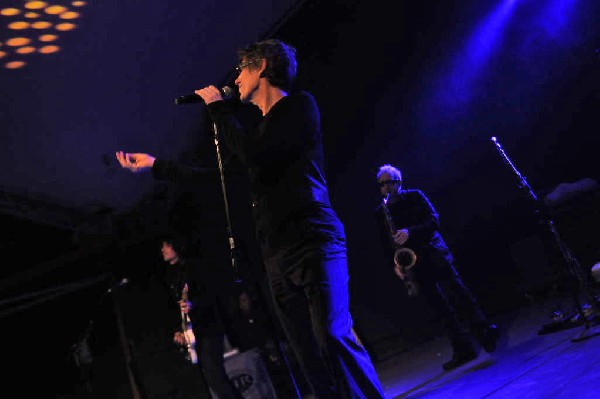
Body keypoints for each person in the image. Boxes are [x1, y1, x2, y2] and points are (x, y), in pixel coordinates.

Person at [116, 38, 385, 398]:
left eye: (242, 69)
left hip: (314, 239)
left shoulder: (299, 108)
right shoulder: (256, 132)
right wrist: (157, 166)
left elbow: (256, 155)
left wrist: (218, 110)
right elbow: (220, 176)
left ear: (261, 68)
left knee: (333, 335)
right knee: (307, 352)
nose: (237, 78)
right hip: (276, 251)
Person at [374, 164, 499, 371]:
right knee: (439, 308)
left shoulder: (415, 196)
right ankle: (462, 348)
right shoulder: (381, 211)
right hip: (414, 263)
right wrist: (395, 264)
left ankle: (484, 332)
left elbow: (434, 220)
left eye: (389, 182)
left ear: (399, 182)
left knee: (459, 295)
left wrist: (410, 232)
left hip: (434, 252)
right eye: (382, 184)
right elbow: (385, 242)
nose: (386, 187)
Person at [159, 234, 243, 399]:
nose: (162, 250)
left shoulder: (193, 268)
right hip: (195, 332)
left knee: (216, 377)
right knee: (212, 380)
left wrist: (194, 304)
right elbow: (179, 309)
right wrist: (179, 330)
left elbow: (212, 294)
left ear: (176, 246)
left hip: (209, 327)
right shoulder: (173, 276)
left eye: (166, 245)